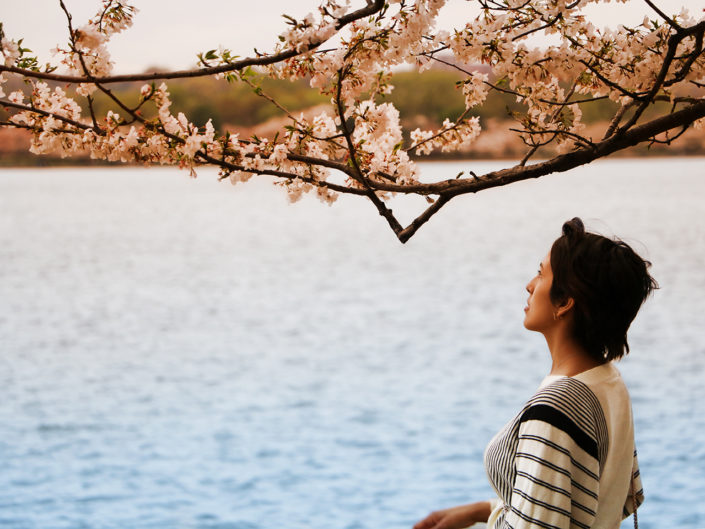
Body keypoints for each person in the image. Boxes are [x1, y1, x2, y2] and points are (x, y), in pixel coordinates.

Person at [414, 218, 657, 529]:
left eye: (541, 273)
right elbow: (593, 500)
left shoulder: (555, 407)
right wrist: (483, 511)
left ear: (566, 301)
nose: (530, 284)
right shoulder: (608, 382)